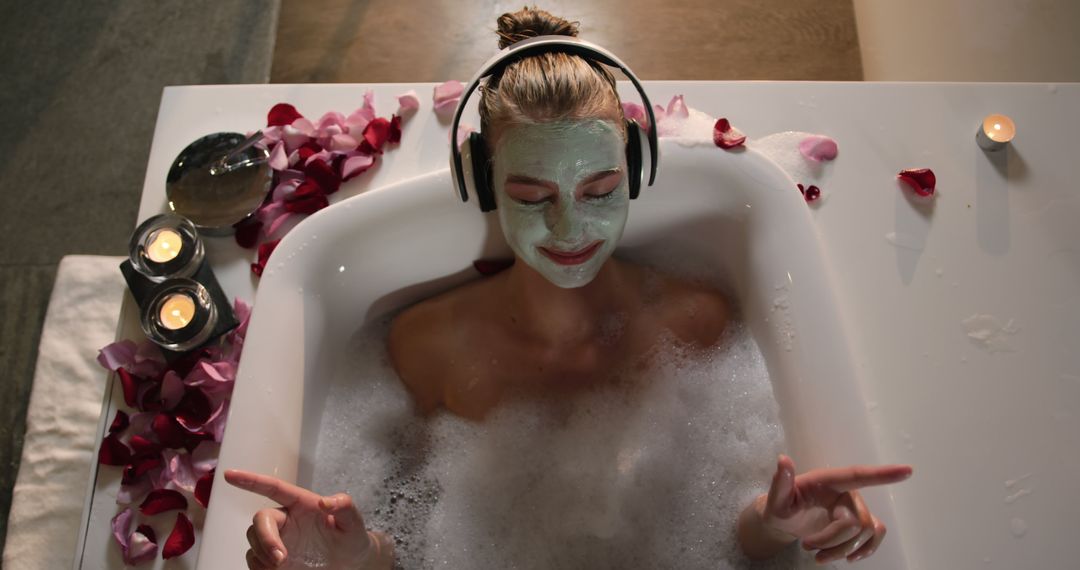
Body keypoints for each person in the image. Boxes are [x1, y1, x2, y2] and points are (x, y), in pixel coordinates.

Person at [225, 7, 912, 569]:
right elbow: (414, 546)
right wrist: (355, 559)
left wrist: (775, 525)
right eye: (530, 195)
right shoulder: (426, 348)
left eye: (600, 188)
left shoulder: (697, 321)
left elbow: (719, 544)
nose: (569, 225)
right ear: (485, 185)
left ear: (636, 170)